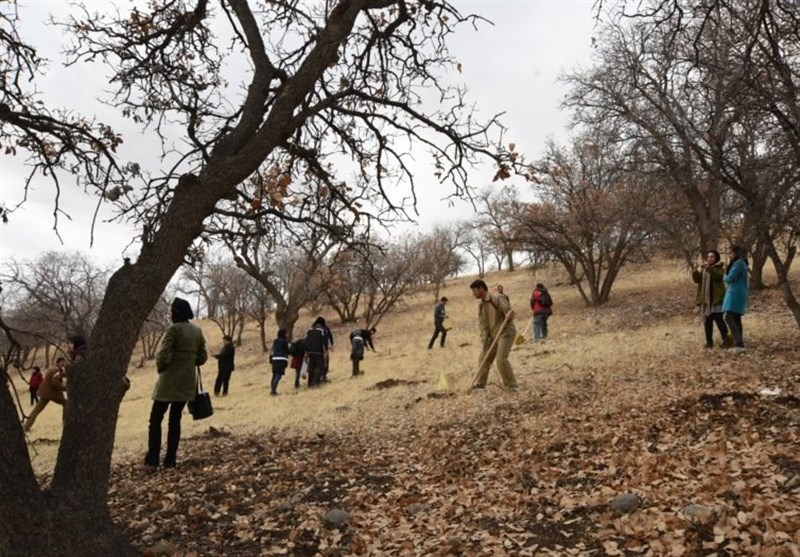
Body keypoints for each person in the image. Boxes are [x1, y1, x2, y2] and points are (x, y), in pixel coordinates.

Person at [145, 297, 207, 470]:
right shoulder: (197, 331)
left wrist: (162, 368)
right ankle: (170, 461)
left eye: (171, 311)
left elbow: (163, 354)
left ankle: (152, 460)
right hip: (187, 381)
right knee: (175, 419)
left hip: (169, 380)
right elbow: (202, 357)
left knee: (156, 418)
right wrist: (188, 361)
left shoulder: (173, 330)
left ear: (175, 313)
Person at [470, 279, 518, 391]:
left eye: (474, 291)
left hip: (505, 333)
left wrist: (509, 315)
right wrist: (485, 341)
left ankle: (512, 386)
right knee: (483, 358)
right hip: (493, 336)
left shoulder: (497, 297)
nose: (473, 294)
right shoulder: (481, 305)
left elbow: (509, 312)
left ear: (481, 289)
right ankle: (481, 384)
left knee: (501, 359)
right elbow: (483, 325)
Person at [692, 250, 729, 349]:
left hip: (717, 299)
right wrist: (695, 270)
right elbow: (697, 280)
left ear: (716, 258)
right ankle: (709, 342)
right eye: (708, 257)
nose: (709, 259)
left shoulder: (719, 267)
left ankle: (726, 340)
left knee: (719, 319)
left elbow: (718, 277)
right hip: (706, 301)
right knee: (707, 322)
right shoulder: (705, 269)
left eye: (712, 257)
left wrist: (709, 268)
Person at [23, 358, 68, 431]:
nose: (65, 364)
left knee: (36, 410)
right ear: (61, 362)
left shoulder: (54, 369)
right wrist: (65, 388)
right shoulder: (55, 370)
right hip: (51, 393)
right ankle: (65, 423)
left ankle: (26, 426)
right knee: (66, 403)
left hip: (45, 393)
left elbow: (60, 376)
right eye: (64, 362)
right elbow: (55, 383)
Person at [723, 245, 750, 350]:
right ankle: (739, 341)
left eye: (731, 253)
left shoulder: (738, 264)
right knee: (737, 318)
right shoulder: (742, 263)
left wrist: (724, 275)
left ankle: (738, 341)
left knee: (728, 317)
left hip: (735, 293)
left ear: (736, 253)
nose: (729, 255)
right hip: (740, 292)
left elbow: (730, 278)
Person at [304, 320, 328, 387]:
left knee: (311, 368)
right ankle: (315, 382)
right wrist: (325, 352)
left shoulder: (310, 331)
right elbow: (323, 342)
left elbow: (306, 342)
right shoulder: (322, 330)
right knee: (321, 367)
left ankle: (309, 384)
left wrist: (306, 353)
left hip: (310, 351)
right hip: (318, 352)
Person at [313, 317, 334, 382]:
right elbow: (330, 336)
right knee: (325, 362)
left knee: (316, 364)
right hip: (324, 348)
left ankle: (317, 377)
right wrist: (332, 344)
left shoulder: (313, 328)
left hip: (314, 348)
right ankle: (323, 375)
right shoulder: (325, 328)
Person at [269, 329, 290, 395]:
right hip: (281, 359)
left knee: (274, 375)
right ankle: (273, 391)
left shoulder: (275, 341)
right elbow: (287, 351)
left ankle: (272, 390)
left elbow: (272, 350)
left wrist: (271, 358)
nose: (287, 335)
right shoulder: (285, 342)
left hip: (274, 359)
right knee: (278, 375)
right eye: (286, 333)